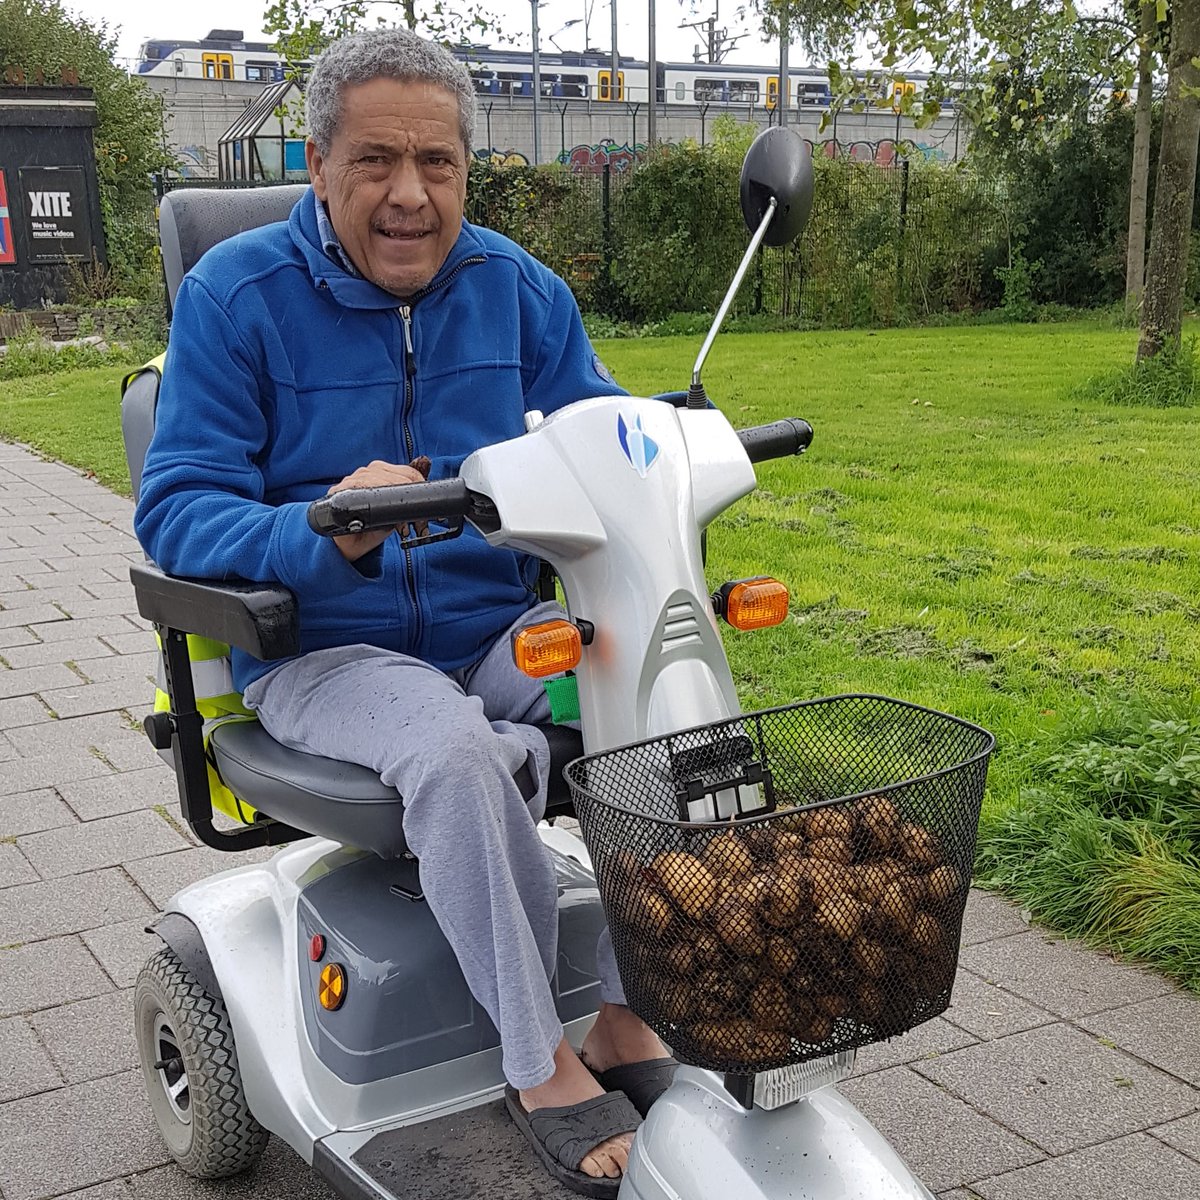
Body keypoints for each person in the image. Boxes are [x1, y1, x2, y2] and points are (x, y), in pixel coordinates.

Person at [134, 26, 675, 1198]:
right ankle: (539, 1066)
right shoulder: (238, 298)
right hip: (327, 644)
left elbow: (593, 433)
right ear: (318, 163)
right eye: (376, 161)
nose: (409, 195)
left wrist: (665, 443)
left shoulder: (520, 291)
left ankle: (630, 1020)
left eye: (439, 164)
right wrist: (326, 528)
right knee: (454, 754)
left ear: (468, 173)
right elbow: (176, 510)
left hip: (494, 628)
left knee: (668, 707)